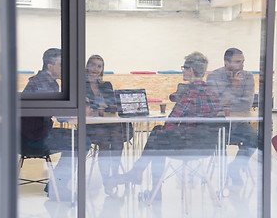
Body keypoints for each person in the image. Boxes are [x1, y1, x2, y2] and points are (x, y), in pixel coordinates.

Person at [120, 52, 220, 199]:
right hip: (207, 146)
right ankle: (139, 172)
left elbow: (171, 123)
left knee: (157, 136)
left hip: (187, 146)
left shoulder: (189, 93)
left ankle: (148, 183)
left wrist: (166, 130)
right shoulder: (213, 92)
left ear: (190, 70)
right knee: (158, 133)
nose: (182, 71)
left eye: (184, 68)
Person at [21, 48, 90, 201]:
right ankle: (57, 185)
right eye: (61, 65)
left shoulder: (41, 81)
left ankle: (56, 183)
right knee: (82, 141)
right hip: (34, 140)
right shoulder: (46, 85)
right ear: (50, 66)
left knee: (79, 138)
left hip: (29, 136)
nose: (65, 69)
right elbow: (62, 117)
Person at [207, 48, 258, 186]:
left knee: (256, 136)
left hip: (238, 124)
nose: (241, 65)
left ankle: (234, 168)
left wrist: (227, 103)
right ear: (226, 62)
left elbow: (246, 104)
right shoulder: (213, 77)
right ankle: (222, 177)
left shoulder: (248, 77)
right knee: (220, 138)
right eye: (237, 62)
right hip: (217, 124)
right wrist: (234, 87)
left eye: (242, 61)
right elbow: (214, 105)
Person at [85, 55, 124, 196]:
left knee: (117, 135)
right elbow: (84, 106)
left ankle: (113, 175)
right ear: (87, 66)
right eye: (93, 65)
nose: (96, 69)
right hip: (91, 125)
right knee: (105, 141)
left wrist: (99, 105)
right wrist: (100, 105)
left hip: (109, 122)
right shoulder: (80, 84)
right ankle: (107, 179)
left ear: (102, 69)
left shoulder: (106, 85)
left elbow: (112, 104)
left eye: (99, 66)